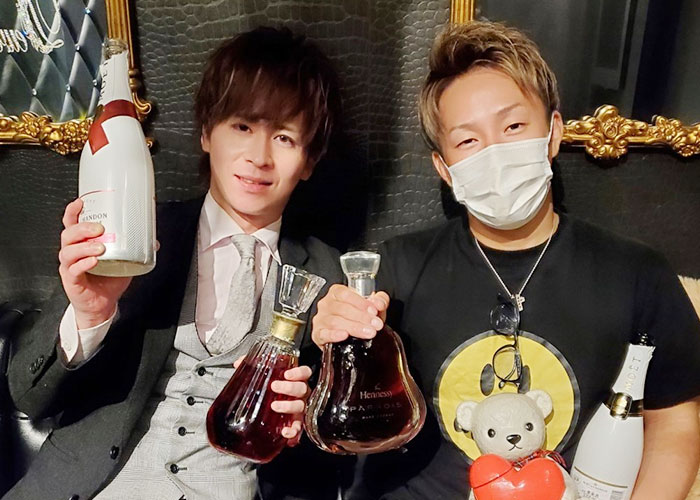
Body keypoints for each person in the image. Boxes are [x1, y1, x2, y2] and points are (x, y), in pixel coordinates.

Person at [312, 21, 700, 499]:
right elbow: (343, 399)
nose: (494, 153)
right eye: (468, 141)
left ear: (553, 133)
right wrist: (331, 341)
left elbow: (675, 420)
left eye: (514, 126)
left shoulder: (638, 273)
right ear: (444, 169)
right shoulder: (394, 270)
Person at [5, 27, 346, 500]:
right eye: (243, 127)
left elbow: (331, 438)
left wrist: (304, 420)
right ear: (206, 132)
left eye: (285, 137)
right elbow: (30, 396)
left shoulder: (330, 277)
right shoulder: (133, 229)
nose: (259, 157)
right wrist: (89, 315)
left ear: (309, 160)